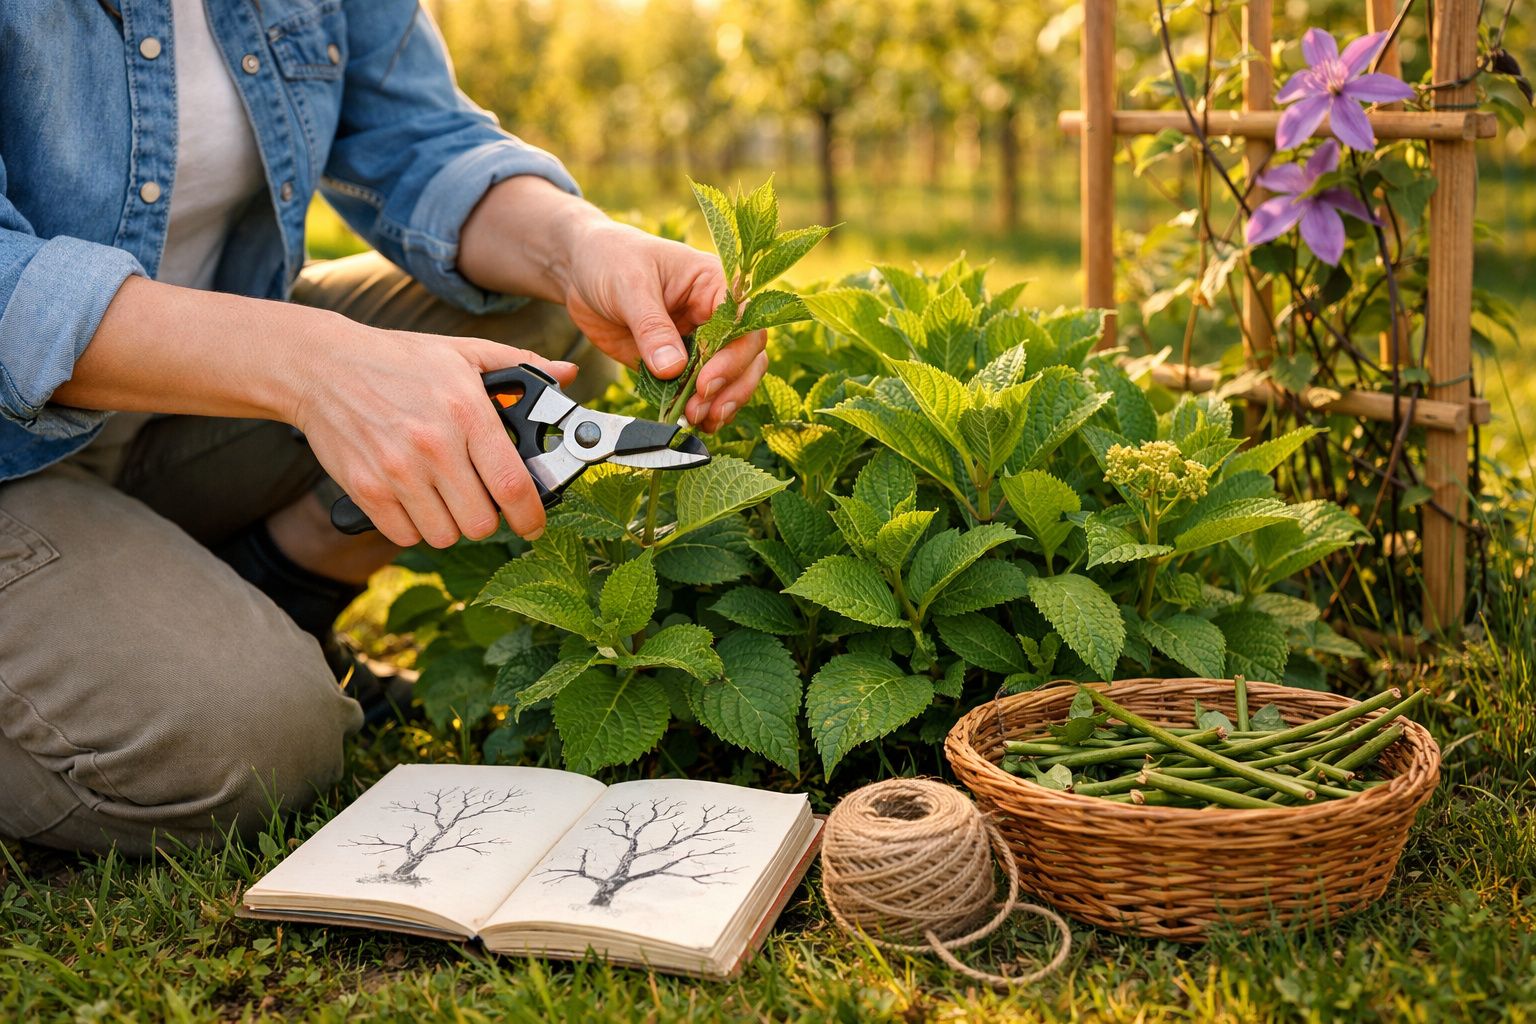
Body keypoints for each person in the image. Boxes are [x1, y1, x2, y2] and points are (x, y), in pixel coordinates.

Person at [0, 0, 767, 855]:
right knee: (254, 744)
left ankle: (275, 590)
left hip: (169, 404)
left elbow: (417, 137)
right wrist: (313, 367)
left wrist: (580, 248)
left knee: (521, 327)